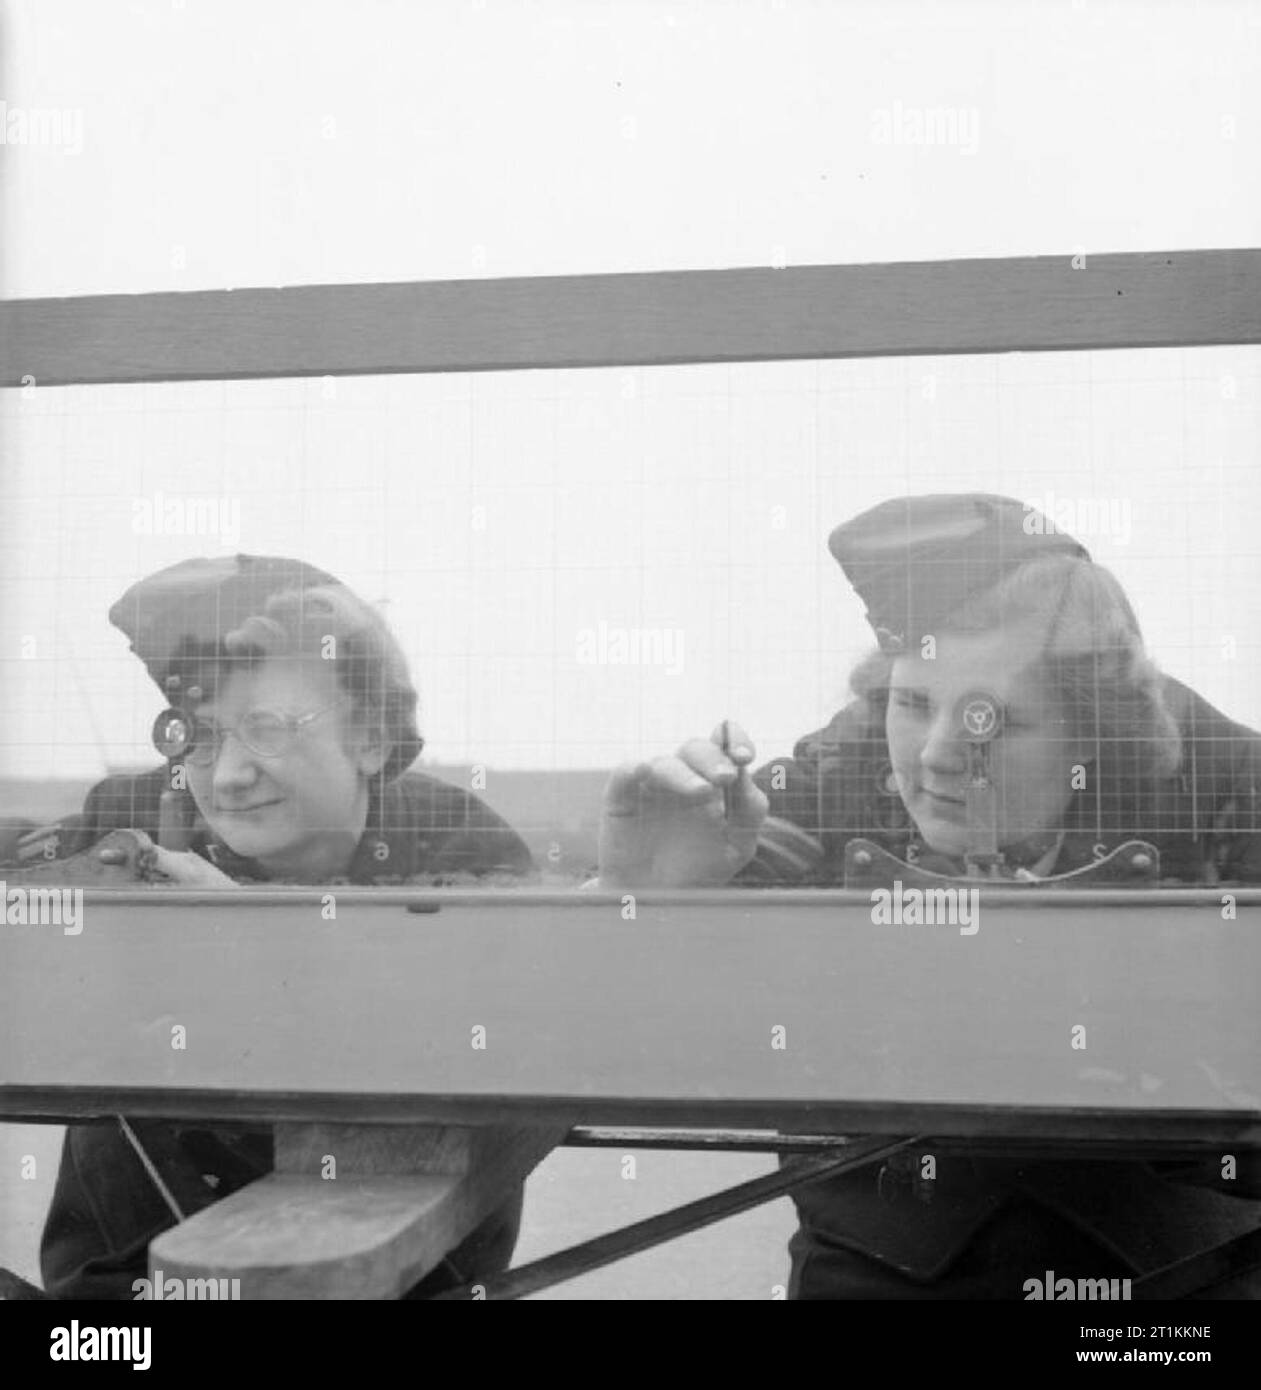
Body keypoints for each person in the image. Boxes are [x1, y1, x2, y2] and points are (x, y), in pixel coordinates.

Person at [597, 492, 1261, 1298]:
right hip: (874, 1256)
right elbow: (591, 1023)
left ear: (1094, 730)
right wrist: (636, 898)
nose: (938, 758)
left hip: (1172, 1270)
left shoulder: (1230, 793)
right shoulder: (827, 784)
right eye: (912, 704)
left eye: (996, 722)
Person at [16, 553, 535, 1299]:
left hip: (389, 1276)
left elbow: (492, 1036)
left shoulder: (460, 847)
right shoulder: (134, 821)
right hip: (114, 1282)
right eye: (196, 735)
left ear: (372, 738)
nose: (224, 776)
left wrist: (253, 941)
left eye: (265, 728)